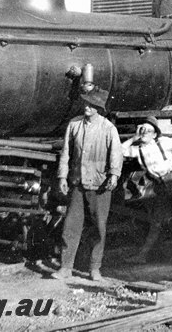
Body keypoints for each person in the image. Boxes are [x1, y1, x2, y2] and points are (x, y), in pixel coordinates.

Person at [52, 87, 122, 282]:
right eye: (86, 104)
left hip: (99, 185)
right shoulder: (74, 125)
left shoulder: (108, 128)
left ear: (98, 108)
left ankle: (94, 268)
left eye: (91, 105)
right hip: (77, 182)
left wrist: (114, 175)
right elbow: (66, 152)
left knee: (98, 228)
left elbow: (116, 154)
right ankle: (66, 267)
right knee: (71, 226)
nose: (87, 107)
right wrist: (62, 177)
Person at [122, 116, 172, 268]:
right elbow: (120, 151)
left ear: (155, 134)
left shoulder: (164, 142)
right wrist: (134, 137)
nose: (145, 133)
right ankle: (142, 256)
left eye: (148, 131)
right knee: (156, 222)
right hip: (159, 185)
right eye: (142, 130)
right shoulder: (137, 149)